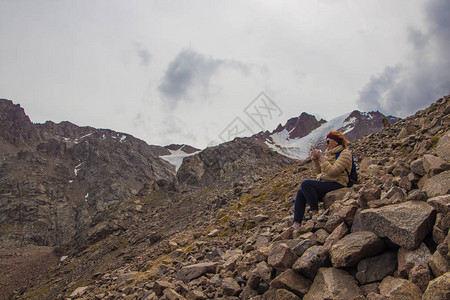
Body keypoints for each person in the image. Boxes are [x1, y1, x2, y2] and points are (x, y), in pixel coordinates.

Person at [293, 130, 352, 230]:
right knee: (301, 191)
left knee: (306, 184)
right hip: (327, 184)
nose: (326, 144)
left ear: (336, 142)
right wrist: (316, 162)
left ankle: (315, 215)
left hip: (338, 184)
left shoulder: (345, 153)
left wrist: (321, 157)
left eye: (328, 141)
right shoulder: (328, 154)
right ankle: (296, 224)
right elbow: (321, 174)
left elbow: (333, 172)